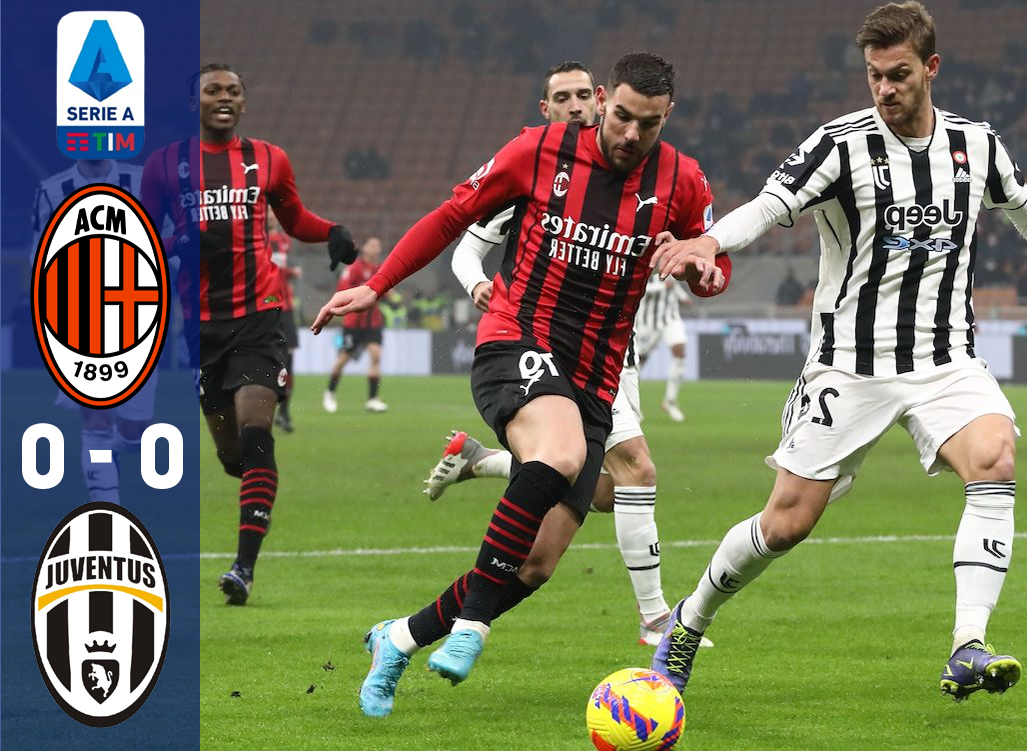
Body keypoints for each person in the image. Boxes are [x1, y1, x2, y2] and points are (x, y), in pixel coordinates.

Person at [649, 1, 1027, 702]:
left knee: (996, 456)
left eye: (898, 75)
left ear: (931, 68)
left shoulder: (976, 145)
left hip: (946, 357)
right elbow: (770, 204)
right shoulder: (840, 144)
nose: (884, 90)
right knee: (787, 521)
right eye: (873, 76)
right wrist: (710, 241)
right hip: (849, 365)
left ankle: (966, 645)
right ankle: (688, 619)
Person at [312, 52, 730, 717]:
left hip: (597, 373)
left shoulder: (681, 179)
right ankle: (474, 623)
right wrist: (376, 283)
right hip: (518, 337)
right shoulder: (536, 152)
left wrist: (702, 268)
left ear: (666, 117)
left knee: (534, 562)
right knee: (558, 455)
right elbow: (452, 220)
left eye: (645, 125)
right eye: (619, 116)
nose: (628, 135)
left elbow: (714, 259)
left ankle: (399, 636)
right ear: (602, 99)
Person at [424, 60, 717, 649]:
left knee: (590, 500)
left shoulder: (665, 179)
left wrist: (699, 262)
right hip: (538, 347)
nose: (579, 105)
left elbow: (709, 259)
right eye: (565, 97)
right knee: (635, 469)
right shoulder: (535, 164)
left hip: (610, 356)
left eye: (585, 94)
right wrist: (476, 284)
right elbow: (465, 240)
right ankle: (655, 616)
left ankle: (482, 468)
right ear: (547, 108)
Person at [141, 63, 359, 605]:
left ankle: (243, 568)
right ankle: (246, 489)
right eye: (213, 90)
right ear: (193, 101)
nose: (224, 98)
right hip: (199, 326)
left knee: (258, 435)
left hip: (260, 317)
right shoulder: (165, 166)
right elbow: (140, 238)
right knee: (234, 457)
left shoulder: (268, 159)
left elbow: (295, 218)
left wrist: (330, 232)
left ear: (243, 103)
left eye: (233, 91)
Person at [31, 159, 155, 505]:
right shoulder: (52, 190)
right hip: (79, 322)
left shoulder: (142, 181)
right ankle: (107, 510)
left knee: (134, 434)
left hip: (138, 318)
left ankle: (104, 455)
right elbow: (38, 256)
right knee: (96, 421)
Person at [323, 237, 388, 413]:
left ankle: (372, 399)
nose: (375, 249)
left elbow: (386, 291)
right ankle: (330, 392)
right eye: (372, 245)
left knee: (376, 355)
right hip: (354, 322)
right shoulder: (354, 268)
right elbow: (343, 290)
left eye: (377, 246)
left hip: (373, 321)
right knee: (344, 358)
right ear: (364, 248)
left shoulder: (381, 269)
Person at [635, 273, 690, 421]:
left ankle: (670, 401)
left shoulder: (671, 262)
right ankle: (633, 406)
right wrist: (661, 286)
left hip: (671, 318)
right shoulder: (645, 265)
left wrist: (683, 297)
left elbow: (673, 285)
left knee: (680, 353)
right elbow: (639, 287)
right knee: (637, 364)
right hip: (648, 323)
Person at [269, 213, 302, 432]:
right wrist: (291, 272)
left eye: (274, 214)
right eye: (268, 214)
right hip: (266, 305)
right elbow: (267, 268)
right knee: (267, 360)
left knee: (288, 360)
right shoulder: (257, 239)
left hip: (286, 307)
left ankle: (284, 413)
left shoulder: (284, 241)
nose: (272, 217)